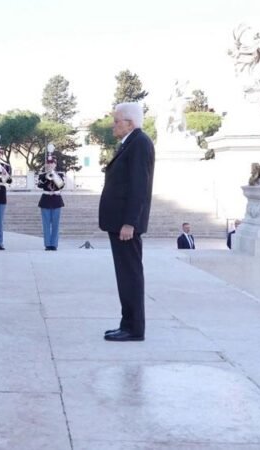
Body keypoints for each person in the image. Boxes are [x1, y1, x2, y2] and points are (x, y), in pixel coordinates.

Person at [98, 102, 155, 342]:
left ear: (130, 123)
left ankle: (134, 328)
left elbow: (139, 187)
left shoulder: (140, 144)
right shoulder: (131, 143)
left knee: (130, 275)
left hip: (126, 224)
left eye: (116, 121)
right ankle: (127, 323)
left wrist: (130, 222)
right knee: (125, 275)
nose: (113, 126)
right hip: (119, 222)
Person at [37, 153, 65, 251]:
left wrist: (54, 175)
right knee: (46, 224)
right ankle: (47, 244)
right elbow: (39, 185)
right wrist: (46, 176)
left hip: (56, 200)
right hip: (45, 200)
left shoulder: (60, 174)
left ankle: (54, 244)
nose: (50, 165)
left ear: (55, 164)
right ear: (46, 165)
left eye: (52, 163)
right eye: (48, 163)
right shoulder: (42, 175)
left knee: (55, 224)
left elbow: (61, 185)